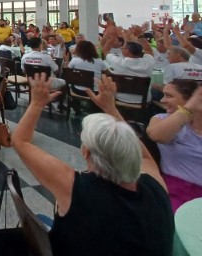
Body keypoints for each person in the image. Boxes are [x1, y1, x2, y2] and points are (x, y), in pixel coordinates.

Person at [12, 74, 173, 256]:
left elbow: (20, 141)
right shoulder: (155, 183)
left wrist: (36, 103)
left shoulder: (74, 188)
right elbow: (144, 157)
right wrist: (110, 108)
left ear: (86, 151)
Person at [146, 79, 202, 211]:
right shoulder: (161, 119)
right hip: (176, 190)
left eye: (169, 96)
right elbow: (157, 136)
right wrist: (188, 108)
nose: (163, 100)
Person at [102, 27, 154, 104]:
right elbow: (149, 50)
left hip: (121, 99)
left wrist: (113, 37)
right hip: (144, 101)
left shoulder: (118, 62)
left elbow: (105, 50)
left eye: (123, 48)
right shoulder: (148, 63)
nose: (122, 49)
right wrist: (140, 36)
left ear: (127, 51)